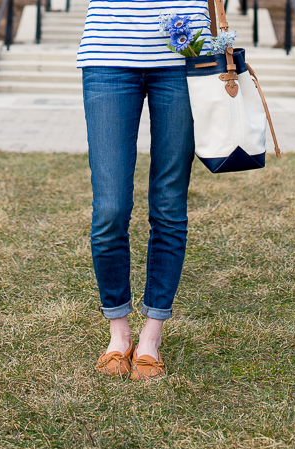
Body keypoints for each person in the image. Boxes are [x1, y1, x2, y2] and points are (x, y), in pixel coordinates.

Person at [77, 0, 213, 380]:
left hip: (184, 59)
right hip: (108, 56)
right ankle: (118, 334)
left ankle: (151, 338)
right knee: (110, 208)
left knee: (169, 205)